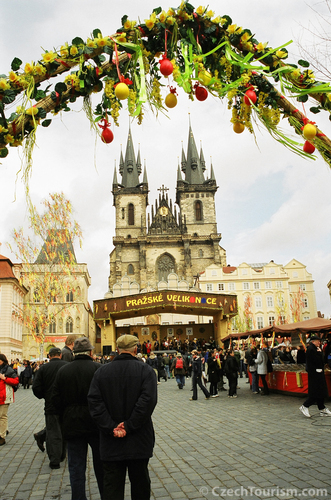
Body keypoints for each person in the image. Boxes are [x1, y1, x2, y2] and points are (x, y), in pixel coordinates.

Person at [87, 334, 157, 500]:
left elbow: (95, 403)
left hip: (111, 439)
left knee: (112, 485)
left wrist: (111, 426)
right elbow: (147, 402)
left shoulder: (101, 372)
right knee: (140, 483)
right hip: (139, 438)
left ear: (117, 349)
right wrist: (129, 425)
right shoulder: (146, 371)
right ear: (135, 349)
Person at [52, 337, 103, 500]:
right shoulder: (98, 369)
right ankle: (105, 495)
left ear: (74, 352)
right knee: (101, 464)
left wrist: (63, 417)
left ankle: (78, 497)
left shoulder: (64, 371)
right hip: (96, 422)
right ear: (90, 352)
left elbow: (55, 399)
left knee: (76, 466)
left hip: (72, 422)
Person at [32, 347, 68, 469]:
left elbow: (36, 388)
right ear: (61, 355)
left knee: (53, 432)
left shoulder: (43, 368)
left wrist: (45, 396)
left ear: (49, 355)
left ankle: (54, 460)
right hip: (65, 405)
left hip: (51, 405)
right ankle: (62, 454)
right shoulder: (67, 366)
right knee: (64, 430)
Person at [299, 335, 331, 418]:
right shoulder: (311, 349)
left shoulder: (315, 349)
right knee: (316, 391)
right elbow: (316, 361)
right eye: (318, 341)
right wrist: (320, 353)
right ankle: (305, 406)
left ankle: (322, 408)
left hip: (319, 373)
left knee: (321, 391)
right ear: (313, 341)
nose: (319, 343)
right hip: (315, 374)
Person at [0, 353, 19, 445]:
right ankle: (4, 429)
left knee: (2, 416)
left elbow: (16, 381)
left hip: (4, 396)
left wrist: (5, 378)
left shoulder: (8, 369)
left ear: (2, 361)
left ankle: (1, 437)